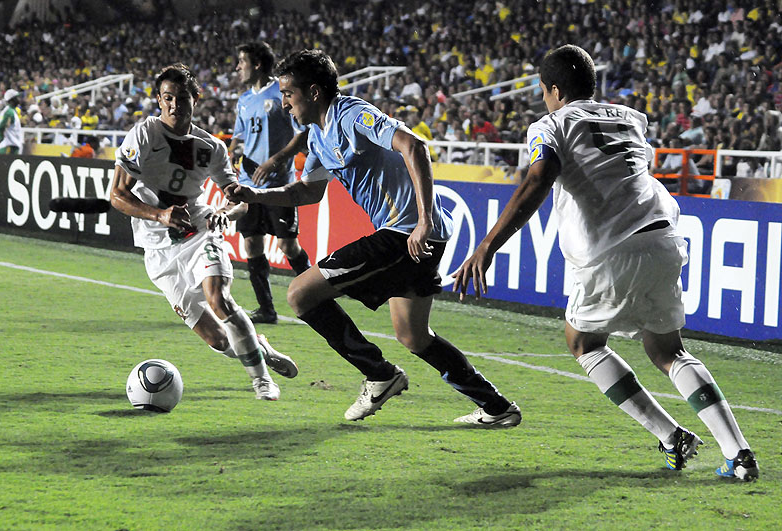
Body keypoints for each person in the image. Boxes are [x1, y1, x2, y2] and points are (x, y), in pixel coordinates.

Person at [452, 45, 758, 480]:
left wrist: (487, 246)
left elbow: (539, 178)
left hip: (612, 247)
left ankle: (671, 436)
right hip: (664, 237)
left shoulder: (551, 124)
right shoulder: (631, 118)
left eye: (543, 91)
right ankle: (739, 454)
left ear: (554, 90)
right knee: (668, 350)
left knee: (583, 342)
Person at [225, 49, 520, 425]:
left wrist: (424, 220)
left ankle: (379, 374)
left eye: (288, 94)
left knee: (300, 294)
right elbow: (308, 192)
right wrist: (255, 195)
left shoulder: (351, 114)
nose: (284, 103)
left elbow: (414, 146)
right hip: (412, 235)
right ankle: (497, 407)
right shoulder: (316, 136)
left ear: (313, 92)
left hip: (406, 233)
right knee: (413, 336)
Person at [110, 63, 298, 401]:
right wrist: (160, 214)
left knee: (219, 298)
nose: (174, 105)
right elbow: (117, 195)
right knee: (218, 339)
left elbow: (239, 201)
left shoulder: (211, 147)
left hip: (200, 232)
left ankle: (262, 381)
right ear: (159, 100)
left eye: (182, 98)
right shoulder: (145, 134)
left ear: (195, 100)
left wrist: (225, 213)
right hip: (158, 250)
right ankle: (260, 348)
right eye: (168, 98)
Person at [228, 42, 311, 325]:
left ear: (257, 64)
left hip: (279, 185)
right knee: (252, 244)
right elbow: (239, 137)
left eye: (242, 62)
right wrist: (233, 153)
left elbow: (302, 133)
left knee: (288, 246)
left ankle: (315, 296)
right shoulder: (244, 100)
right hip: (248, 183)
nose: (238, 67)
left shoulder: (281, 92)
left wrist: (275, 160)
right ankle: (266, 309)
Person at [0, 89, 23, 154]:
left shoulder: (12, 110)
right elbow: (0, 127)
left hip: (13, 145)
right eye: (17, 98)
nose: (19, 99)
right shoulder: (9, 112)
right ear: (12, 100)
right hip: (9, 147)